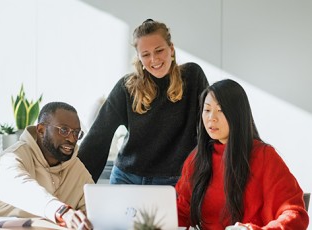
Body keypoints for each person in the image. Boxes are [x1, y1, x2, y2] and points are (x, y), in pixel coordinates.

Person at [78, 19, 209, 185]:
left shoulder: (192, 77)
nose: (154, 59)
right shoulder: (127, 87)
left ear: (171, 49)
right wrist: (75, 187)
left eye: (159, 50)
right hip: (126, 177)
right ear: (139, 57)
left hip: (175, 180)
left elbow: (210, 124)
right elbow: (98, 137)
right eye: (146, 54)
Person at [175, 79, 309, 229]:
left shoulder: (264, 156)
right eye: (207, 110)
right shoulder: (196, 158)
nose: (211, 117)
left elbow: (295, 214)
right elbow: (181, 213)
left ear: (236, 114)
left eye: (220, 110)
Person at [0, 102, 93, 230]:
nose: (72, 138)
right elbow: (22, 188)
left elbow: (93, 209)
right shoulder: (12, 157)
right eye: (64, 130)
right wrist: (62, 212)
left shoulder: (77, 168)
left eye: (76, 133)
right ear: (41, 130)